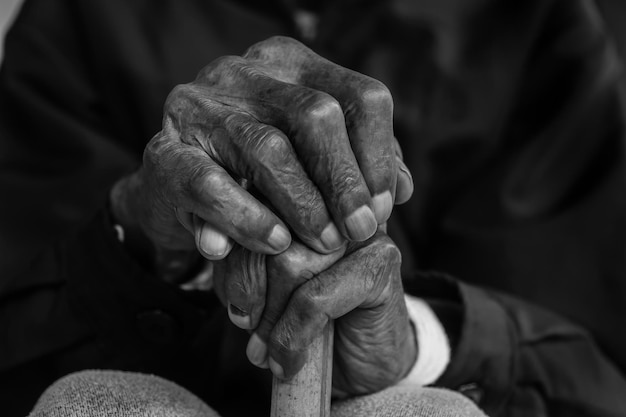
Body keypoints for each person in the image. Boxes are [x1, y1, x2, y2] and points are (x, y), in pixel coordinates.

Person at [1, 0, 626, 416]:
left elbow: (596, 373)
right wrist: (141, 240)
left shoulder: (534, 23)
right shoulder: (84, 14)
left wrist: (416, 348)